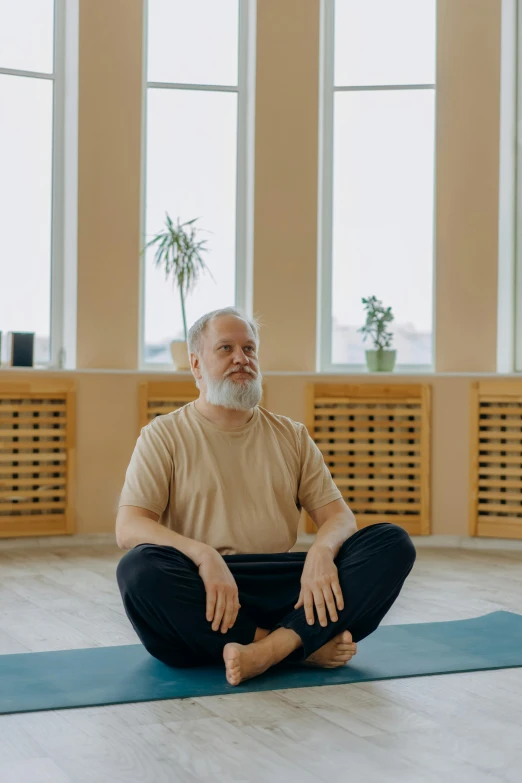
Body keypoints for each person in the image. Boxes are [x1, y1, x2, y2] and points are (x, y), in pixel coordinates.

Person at [115, 307, 416, 686]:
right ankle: (300, 645)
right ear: (196, 365)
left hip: (284, 586)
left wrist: (321, 553)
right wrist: (204, 555)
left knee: (392, 543)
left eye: (249, 349)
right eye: (225, 348)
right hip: (209, 589)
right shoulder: (163, 435)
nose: (241, 358)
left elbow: (339, 518)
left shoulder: (291, 435)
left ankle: (270, 650)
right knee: (139, 570)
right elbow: (129, 527)